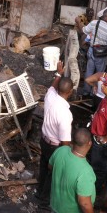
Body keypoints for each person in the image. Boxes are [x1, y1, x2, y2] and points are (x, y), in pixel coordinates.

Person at [47, 128, 98, 213]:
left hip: (55, 206)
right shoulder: (85, 171)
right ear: (89, 143)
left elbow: (50, 166)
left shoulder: (61, 150)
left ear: (72, 141)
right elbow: (84, 203)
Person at [37, 61, 74, 203]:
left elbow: (52, 86)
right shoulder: (65, 113)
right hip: (55, 147)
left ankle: (40, 192)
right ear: (70, 92)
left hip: (44, 140)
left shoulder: (50, 96)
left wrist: (59, 74)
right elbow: (65, 142)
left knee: (44, 167)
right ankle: (45, 200)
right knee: (53, 173)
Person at [77, 9, 107, 95]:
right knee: (99, 74)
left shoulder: (94, 23)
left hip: (91, 50)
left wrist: (78, 22)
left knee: (89, 71)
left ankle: (86, 91)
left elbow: (84, 31)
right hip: (101, 54)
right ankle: (94, 93)